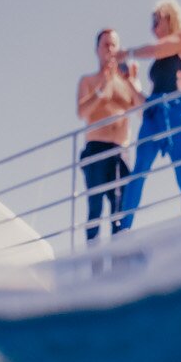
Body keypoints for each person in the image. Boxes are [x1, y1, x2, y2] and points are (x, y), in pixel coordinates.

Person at [115, 0, 181, 231]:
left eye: (156, 21)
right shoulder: (157, 53)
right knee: (138, 173)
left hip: (176, 109)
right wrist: (129, 82)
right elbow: (144, 102)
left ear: (169, 18)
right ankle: (124, 230)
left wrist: (127, 53)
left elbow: (158, 50)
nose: (152, 28)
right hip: (153, 112)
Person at [75, 28, 143, 240]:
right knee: (95, 208)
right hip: (96, 148)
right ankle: (93, 265)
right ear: (97, 49)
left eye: (114, 44)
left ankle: (119, 262)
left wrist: (131, 82)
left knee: (119, 208)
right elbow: (82, 112)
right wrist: (102, 89)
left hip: (120, 151)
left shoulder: (128, 80)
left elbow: (142, 110)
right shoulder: (88, 81)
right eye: (106, 45)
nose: (110, 49)